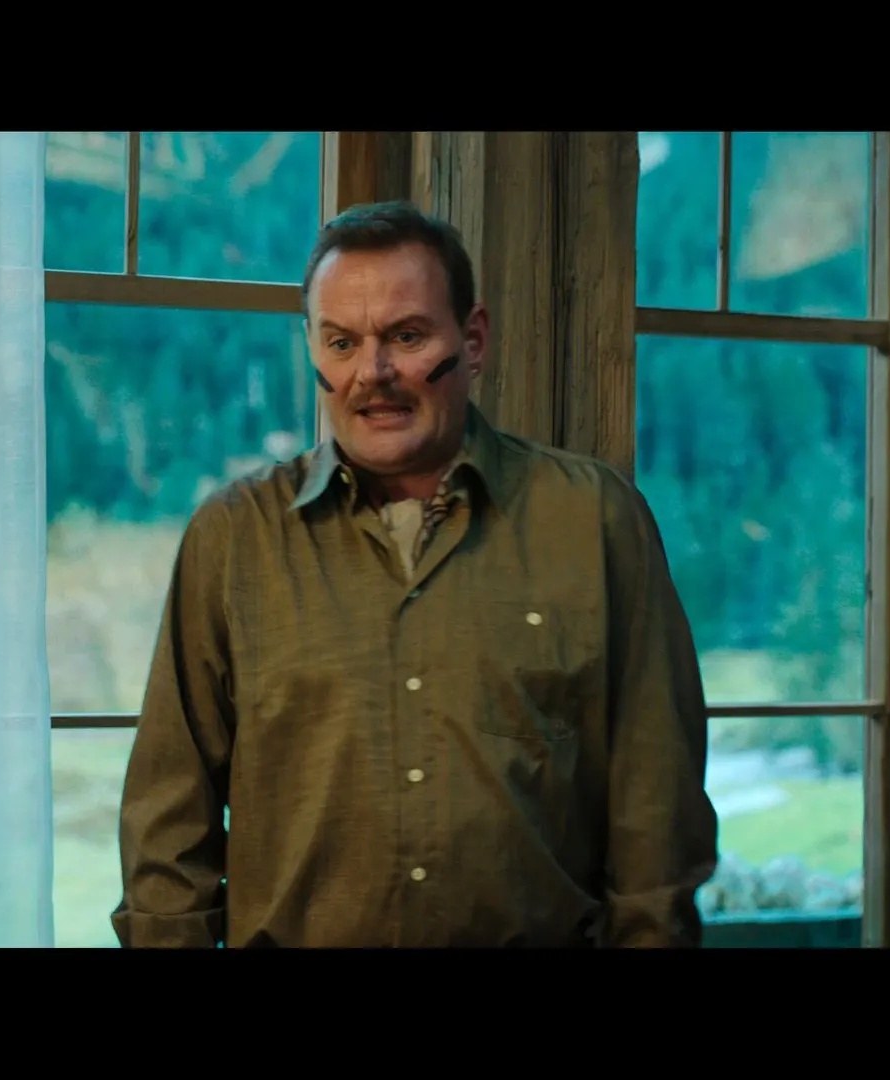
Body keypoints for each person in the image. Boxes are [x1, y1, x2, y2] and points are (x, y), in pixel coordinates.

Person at [111, 200, 717, 948]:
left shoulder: (593, 520)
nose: (374, 374)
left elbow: (658, 807)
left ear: (473, 340)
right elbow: (169, 828)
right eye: (342, 342)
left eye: (406, 336)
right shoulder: (234, 539)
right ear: (313, 349)